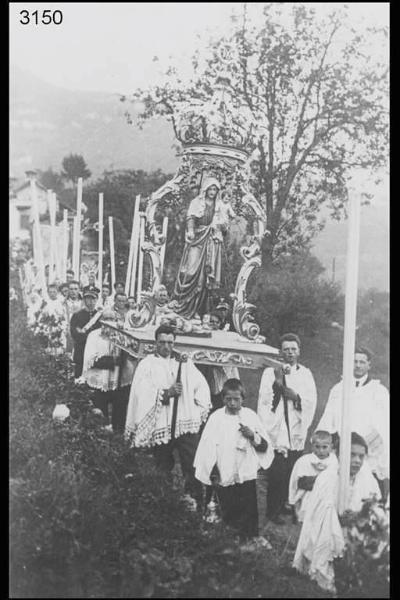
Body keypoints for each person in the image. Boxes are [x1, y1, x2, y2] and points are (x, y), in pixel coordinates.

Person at [125, 324, 211, 509]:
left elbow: (201, 386)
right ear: (155, 342)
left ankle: (194, 501)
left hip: (184, 422)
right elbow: (142, 392)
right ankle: (163, 502)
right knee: (162, 465)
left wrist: (195, 408)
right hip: (161, 422)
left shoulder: (184, 362)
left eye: (170, 342)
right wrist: (165, 394)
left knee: (192, 463)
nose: (166, 346)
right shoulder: (147, 364)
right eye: (162, 342)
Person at [293, 432, 382, 593]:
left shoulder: (367, 478)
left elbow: (377, 509)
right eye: (352, 455)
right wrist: (339, 519)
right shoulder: (327, 477)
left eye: (361, 457)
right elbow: (320, 514)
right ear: (340, 455)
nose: (356, 461)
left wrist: (359, 516)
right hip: (329, 532)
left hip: (357, 533)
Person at [194, 379, 274, 540]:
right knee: (228, 507)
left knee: (248, 506)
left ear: (242, 399)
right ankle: (228, 539)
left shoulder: (250, 416)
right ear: (223, 399)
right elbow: (207, 447)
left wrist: (252, 436)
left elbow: (265, 447)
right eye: (228, 399)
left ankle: (249, 538)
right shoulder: (216, 418)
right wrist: (213, 471)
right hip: (224, 471)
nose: (232, 403)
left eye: (236, 399)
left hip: (245, 472)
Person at [257, 333, 317, 524]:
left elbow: (311, 400)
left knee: (292, 469)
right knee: (276, 472)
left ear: (299, 351)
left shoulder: (305, 374)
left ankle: (288, 505)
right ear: (280, 352)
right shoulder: (270, 372)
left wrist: (296, 398)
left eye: (293, 349)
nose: (290, 353)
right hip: (277, 427)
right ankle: (272, 511)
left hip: (296, 426)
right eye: (286, 349)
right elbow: (264, 400)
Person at [317, 346, 389, 502]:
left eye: (362, 362)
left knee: (368, 496)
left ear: (369, 365)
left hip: (369, 453)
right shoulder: (338, 389)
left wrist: (362, 447)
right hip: (343, 451)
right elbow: (329, 419)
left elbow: (383, 425)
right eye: (354, 361)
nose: (357, 365)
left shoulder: (379, 391)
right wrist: (339, 444)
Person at [170, 177, 230, 318]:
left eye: (215, 189)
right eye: (210, 188)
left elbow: (225, 225)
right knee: (190, 271)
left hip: (211, 240)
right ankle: (182, 305)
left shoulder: (220, 205)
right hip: (197, 237)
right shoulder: (196, 202)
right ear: (205, 189)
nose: (212, 192)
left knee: (205, 277)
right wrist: (190, 230)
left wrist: (221, 227)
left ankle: (199, 310)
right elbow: (191, 217)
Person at [82, 309, 136, 432]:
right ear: (101, 321)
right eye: (106, 319)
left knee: (120, 417)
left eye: (112, 319)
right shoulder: (94, 335)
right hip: (99, 381)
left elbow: (131, 356)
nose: (109, 322)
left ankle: (118, 439)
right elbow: (91, 360)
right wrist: (114, 361)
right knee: (100, 418)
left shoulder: (122, 335)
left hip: (120, 381)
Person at [288, 430, 338, 523]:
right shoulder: (303, 461)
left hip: (326, 500)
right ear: (312, 446)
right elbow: (294, 481)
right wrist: (292, 501)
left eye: (324, 447)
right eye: (317, 447)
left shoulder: (334, 462)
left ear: (331, 447)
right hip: (307, 500)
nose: (321, 451)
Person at [196, 311, 239, 411]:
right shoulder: (205, 333)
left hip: (219, 369)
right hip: (206, 368)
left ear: (220, 324)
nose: (213, 324)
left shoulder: (223, 336)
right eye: (211, 322)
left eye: (216, 322)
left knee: (219, 396)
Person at [70, 290, 102, 380]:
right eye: (88, 299)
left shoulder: (100, 316)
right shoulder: (77, 315)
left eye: (93, 299)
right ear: (84, 300)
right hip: (81, 348)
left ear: (96, 300)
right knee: (79, 374)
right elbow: (74, 333)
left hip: (95, 350)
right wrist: (87, 338)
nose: (91, 302)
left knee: (93, 373)